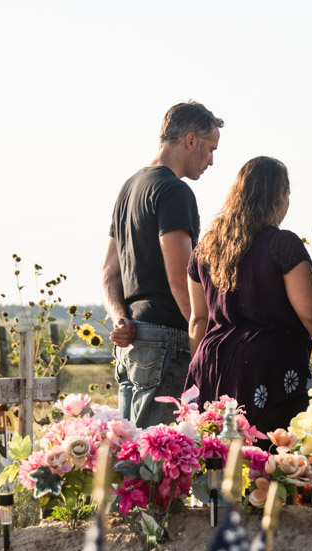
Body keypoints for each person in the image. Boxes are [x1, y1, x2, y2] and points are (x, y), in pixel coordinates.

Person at [186, 156, 312, 434]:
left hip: (211, 365)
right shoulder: (282, 245)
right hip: (268, 371)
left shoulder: (207, 247)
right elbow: (311, 313)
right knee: (270, 466)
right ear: (279, 197)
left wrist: (200, 374)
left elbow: (198, 319)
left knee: (216, 464)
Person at [103, 101, 223, 428]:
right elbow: (180, 277)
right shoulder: (173, 191)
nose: (212, 161)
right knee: (158, 462)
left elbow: (109, 273)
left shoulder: (129, 188)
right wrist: (206, 338)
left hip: (134, 341)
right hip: (167, 341)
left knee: (129, 454)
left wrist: (121, 319)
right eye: (210, 149)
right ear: (190, 141)